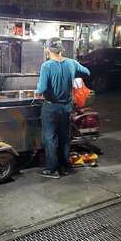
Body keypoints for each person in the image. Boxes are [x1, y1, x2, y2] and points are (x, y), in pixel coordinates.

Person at [37, 38, 91, 179]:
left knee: (50, 138)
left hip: (51, 107)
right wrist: (72, 76)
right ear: (61, 50)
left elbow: (41, 88)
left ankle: (52, 169)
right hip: (66, 107)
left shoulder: (46, 66)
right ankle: (65, 166)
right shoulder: (72, 63)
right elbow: (87, 72)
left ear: (47, 49)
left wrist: (42, 92)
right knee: (64, 137)